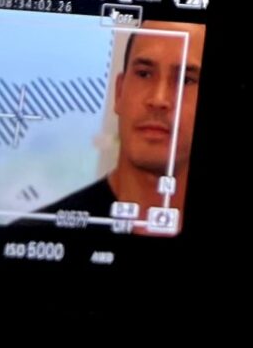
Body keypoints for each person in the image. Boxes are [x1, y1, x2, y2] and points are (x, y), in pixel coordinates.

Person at [37, 22, 205, 233]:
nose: (159, 100)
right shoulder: (36, 232)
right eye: (144, 74)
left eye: (186, 80)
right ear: (119, 92)